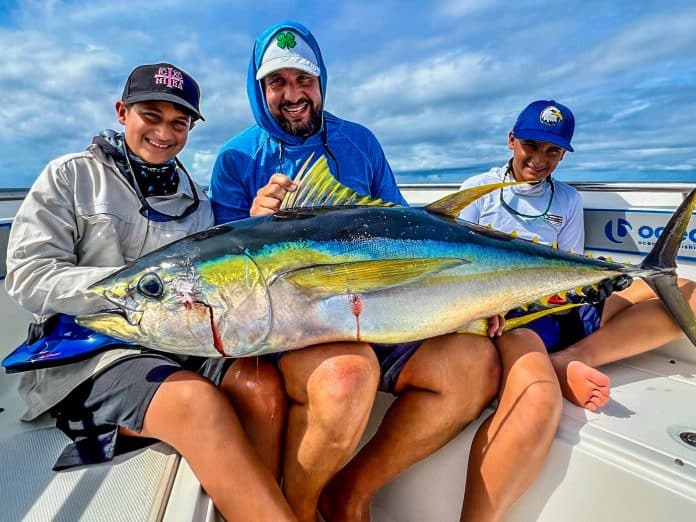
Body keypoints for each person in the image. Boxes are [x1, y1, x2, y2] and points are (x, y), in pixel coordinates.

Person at [209, 21, 501, 522]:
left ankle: (349, 494)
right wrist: (252, 221)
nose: (293, 94)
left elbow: (407, 236)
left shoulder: (359, 143)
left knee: (476, 365)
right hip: (292, 325)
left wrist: (472, 293)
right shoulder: (235, 159)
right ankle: (299, 508)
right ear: (259, 91)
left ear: (321, 81)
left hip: (380, 309)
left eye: (304, 80)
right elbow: (223, 266)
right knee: (348, 375)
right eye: (277, 82)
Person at [5, 63, 296, 521]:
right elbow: (27, 274)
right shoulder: (70, 176)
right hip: (90, 350)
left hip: (175, 343)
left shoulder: (196, 201)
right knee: (198, 404)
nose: (164, 132)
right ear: (122, 112)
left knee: (262, 387)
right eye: (151, 115)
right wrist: (133, 288)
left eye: (178, 123)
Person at [458, 99, 696, 519]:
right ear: (512, 140)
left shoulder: (566, 199)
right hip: (513, 321)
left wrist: (604, 281)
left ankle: (572, 358)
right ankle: (559, 363)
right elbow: (457, 267)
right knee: (537, 395)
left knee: (689, 293)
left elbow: (569, 266)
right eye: (531, 145)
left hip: (562, 302)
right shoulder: (478, 192)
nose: (540, 159)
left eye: (553, 151)